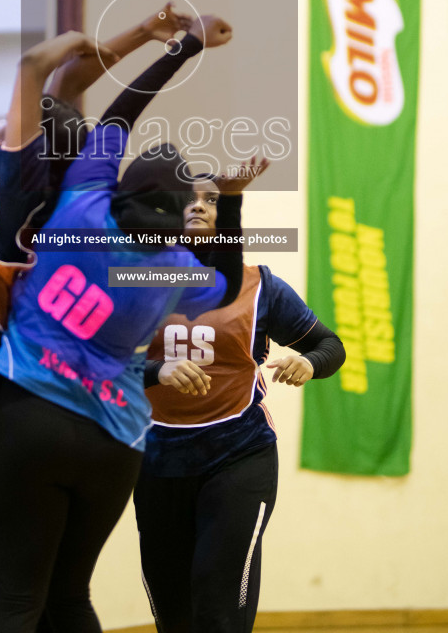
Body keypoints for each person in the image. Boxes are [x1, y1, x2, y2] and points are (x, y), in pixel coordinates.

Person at [0, 5, 190, 633]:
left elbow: (41, 72)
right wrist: (145, 37)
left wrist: (86, 41)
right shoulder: (68, 204)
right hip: (9, 383)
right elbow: (70, 94)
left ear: (22, 137)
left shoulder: (11, 171)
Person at [0, 17, 268, 633]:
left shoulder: (85, 204)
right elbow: (223, 274)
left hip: (36, 411)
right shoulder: (174, 273)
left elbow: (118, 116)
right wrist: (232, 201)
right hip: (116, 444)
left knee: (14, 600)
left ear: (122, 189)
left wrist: (186, 44)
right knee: (71, 597)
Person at [133, 176, 346, 633]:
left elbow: (331, 346)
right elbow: (93, 366)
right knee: (173, 610)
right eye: (188, 198)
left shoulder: (261, 286)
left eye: (211, 199)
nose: (199, 206)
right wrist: (156, 372)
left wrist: (310, 362)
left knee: (218, 603)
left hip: (238, 454)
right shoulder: (137, 281)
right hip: (156, 459)